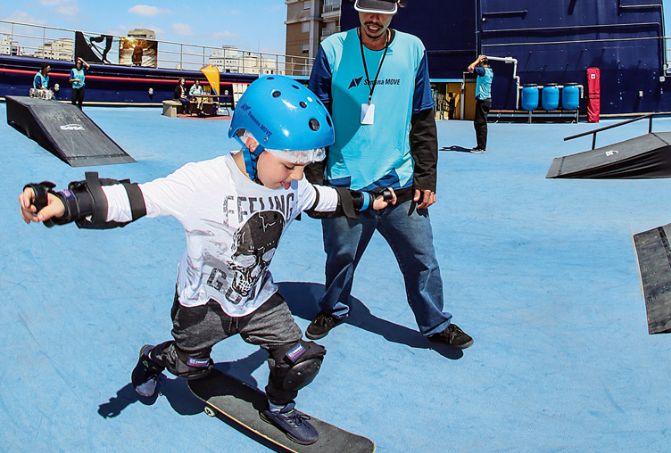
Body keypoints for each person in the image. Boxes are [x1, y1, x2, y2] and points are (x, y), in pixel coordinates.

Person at [18, 75, 394, 446]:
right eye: (289, 166)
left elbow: (325, 199)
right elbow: (136, 199)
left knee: (299, 358)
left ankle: (280, 406)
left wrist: (369, 201)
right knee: (190, 367)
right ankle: (153, 358)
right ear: (251, 142)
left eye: (303, 167)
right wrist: (68, 203)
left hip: (259, 300)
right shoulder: (204, 181)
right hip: (202, 304)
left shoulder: (291, 186)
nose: (296, 177)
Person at [304, 0, 473, 349]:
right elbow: (315, 118)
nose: (374, 18)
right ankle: (333, 308)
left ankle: (435, 324)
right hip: (345, 180)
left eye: (383, 10)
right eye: (367, 9)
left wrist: (426, 177)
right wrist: (314, 182)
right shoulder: (332, 49)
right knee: (340, 257)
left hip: (400, 182)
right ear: (357, 9)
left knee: (422, 259)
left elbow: (424, 117)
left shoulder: (413, 49)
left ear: (396, 9)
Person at [467, 54, 494, 153]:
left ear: (482, 62)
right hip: (485, 99)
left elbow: (470, 68)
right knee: (479, 123)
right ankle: (480, 146)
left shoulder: (483, 71)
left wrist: (477, 60)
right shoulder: (490, 71)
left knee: (480, 124)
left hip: (483, 100)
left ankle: (481, 147)